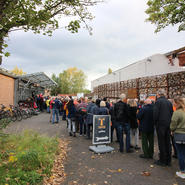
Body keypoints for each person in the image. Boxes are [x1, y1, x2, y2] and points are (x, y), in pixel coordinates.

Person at [153, 89, 173, 166]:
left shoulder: (158, 102)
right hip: (168, 124)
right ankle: (168, 160)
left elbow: (155, 114)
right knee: (168, 142)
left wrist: (155, 123)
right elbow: (171, 113)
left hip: (160, 124)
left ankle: (163, 160)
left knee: (161, 142)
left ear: (158, 94)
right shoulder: (168, 102)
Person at [170, 98, 185, 179]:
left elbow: (173, 124)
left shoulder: (177, 113)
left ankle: (183, 171)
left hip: (179, 135)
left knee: (181, 153)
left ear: (177, 103)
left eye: (173, 103)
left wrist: (172, 130)